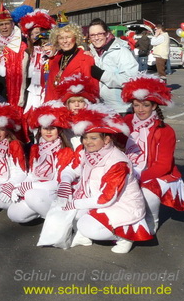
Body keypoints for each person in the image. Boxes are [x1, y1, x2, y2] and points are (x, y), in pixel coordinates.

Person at [58, 103, 153, 254]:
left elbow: (106, 199)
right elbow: (71, 169)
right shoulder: (87, 152)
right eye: (85, 138)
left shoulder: (117, 162)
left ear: (107, 139)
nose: (88, 142)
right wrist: (65, 181)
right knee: (68, 214)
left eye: (94, 138)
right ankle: (83, 236)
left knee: (86, 225)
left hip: (120, 205)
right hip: (95, 198)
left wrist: (75, 203)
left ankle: (125, 237)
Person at [121, 74, 184, 233]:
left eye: (145, 105)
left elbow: (163, 165)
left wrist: (137, 178)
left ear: (154, 106)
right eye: (136, 105)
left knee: (147, 193)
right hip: (131, 168)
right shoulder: (126, 122)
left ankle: (151, 222)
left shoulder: (165, 131)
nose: (140, 110)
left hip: (157, 174)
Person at [6, 102, 75, 224]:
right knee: (14, 213)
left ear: (59, 130)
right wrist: (18, 186)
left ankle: (56, 221)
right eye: (45, 128)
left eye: (52, 128)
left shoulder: (65, 151)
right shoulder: (36, 148)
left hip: (54, 192)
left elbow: (58, 183)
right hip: (36, 192)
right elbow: (32, 175)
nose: (48, 132)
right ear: (40, 129)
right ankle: (42, 209)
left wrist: (31, 187)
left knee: (32, 195)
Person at [87, 18, 139, 114]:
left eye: (99, 34)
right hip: (100, 108)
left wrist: (103, 75)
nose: (96, 38)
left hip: (120, 109)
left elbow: (131, 79)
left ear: (107, 34)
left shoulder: (121, 51)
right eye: (92, 35)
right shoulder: (93, 53)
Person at [43, 23, 98, 102]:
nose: (65, 41)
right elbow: (50, 90)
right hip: (55, 108)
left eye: (68, 37)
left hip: (75, 108)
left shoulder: (85, 58)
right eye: (61, 38)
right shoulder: (55, 59)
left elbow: (92, 90)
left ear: (75, 38)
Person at [0, 5, 28, 107]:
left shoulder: (21, 46)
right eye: (1, 25)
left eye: (6, 24)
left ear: (12, 25)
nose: (4, 27)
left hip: (13, 85)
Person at [19, 11, 56, 112]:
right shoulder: (28, 51)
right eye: (33, 34)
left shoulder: (51, 49)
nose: (36, 36)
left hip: (46, 86)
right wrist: (22, 95)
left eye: (39, 33)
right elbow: (23, 73)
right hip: (31, 87)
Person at [55, 73, 100, 149]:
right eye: (72, 102)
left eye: (80, 101)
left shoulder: (94, 120)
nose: (77, 105)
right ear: (67, 104)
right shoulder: (61, 120)